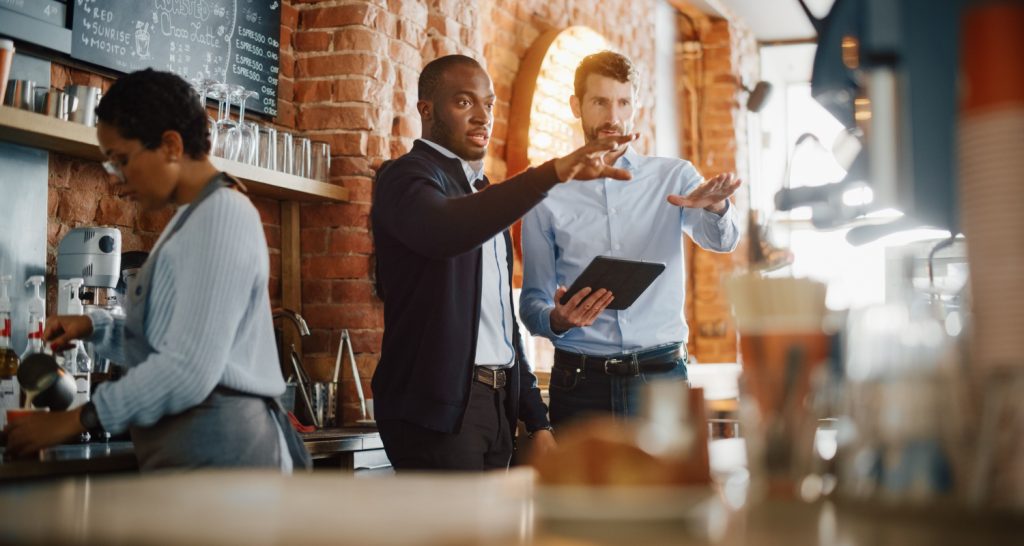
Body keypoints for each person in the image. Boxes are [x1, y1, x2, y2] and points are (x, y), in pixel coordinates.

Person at [3, 69, 310, 471]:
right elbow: (169, 339)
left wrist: (75, 420)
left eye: (122, 160)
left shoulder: (222, 216)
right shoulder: (189, 220)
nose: (118, 181)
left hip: (225, 462)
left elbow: (187, 370)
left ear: (170, 145)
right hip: (193, 458)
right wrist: (96, 328)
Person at [371, 54, 636, 471]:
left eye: (488, 104)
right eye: (464, 103)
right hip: (436, 416)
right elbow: (445, 230)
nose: (482, 117)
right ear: (426, 110)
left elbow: (501, 324)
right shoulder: (404, 177)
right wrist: (550, 174)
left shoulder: (481, 193)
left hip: (496, 409)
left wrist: (537, 419)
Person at [519, 51, 741, 426]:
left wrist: (716, 207)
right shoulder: (547, 190)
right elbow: (532, 304)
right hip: (580, 384)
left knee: (669, 487)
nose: (613, 117)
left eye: (623, 102)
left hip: (660, 380)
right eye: (600, 102)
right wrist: (556, 319)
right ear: (576, 105)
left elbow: (722, 241)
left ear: (635, 105)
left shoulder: (674, 177)